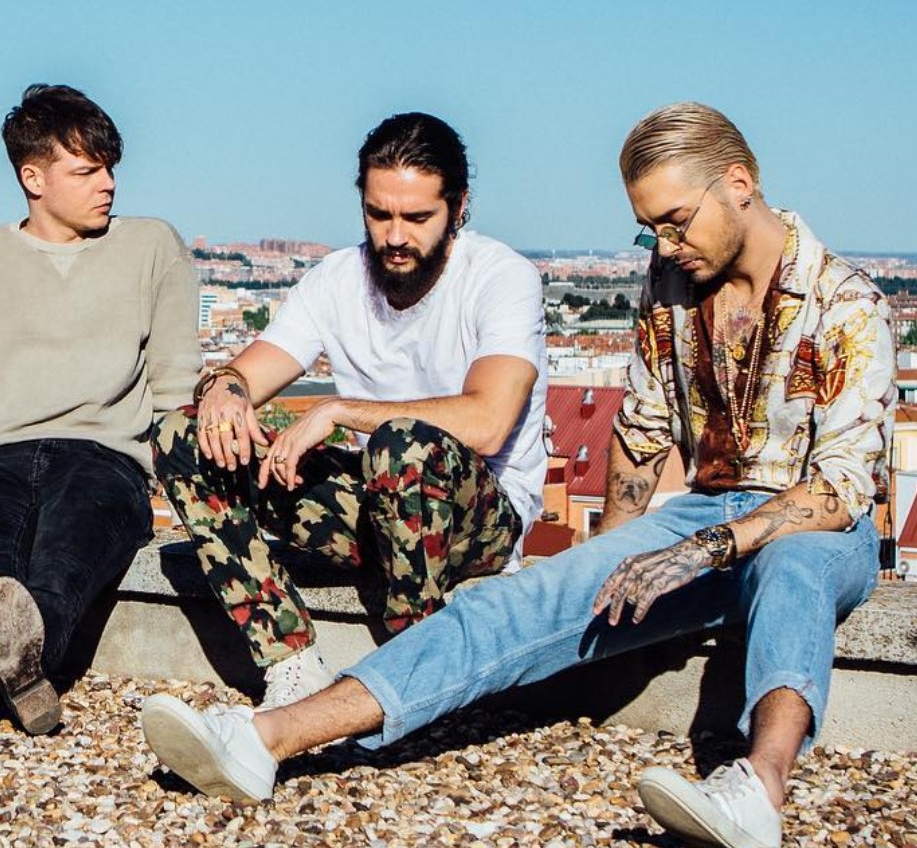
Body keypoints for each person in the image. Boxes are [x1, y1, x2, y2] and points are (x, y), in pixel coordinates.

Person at [141, 102, 894, 848]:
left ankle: (758, 789)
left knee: (793, 569)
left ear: (739, 184)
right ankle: (264, 739)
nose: (665, 245)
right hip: (699, 514)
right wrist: (611, 558)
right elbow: (639, 435)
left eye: (676, 222)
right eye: (650, 230)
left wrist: (703, 550)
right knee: (512, 606)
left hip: (818, 522)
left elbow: (841, 488)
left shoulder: (847, 300)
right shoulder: (672, 283)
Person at [152, 112, 548, 711]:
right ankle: (290, 663)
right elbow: (247, 373)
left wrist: (340, 410)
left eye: (417, 218)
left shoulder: (502, 278)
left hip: (478, 524)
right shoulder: (337, 278)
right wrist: (226, 389)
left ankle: (415, 674)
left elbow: (488, 422)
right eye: (378, 214)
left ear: (459, 207)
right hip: (380, 506)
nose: (395, 236)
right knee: (183, 433)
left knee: (401, 443)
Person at [0, 84, 200, 735]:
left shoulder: (153, 246)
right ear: (32, 178)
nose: (109, 184)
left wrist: (192, 497)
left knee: (63, 567)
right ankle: (21, 683)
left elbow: (176, 384)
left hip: (107, 460)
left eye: (110, 168)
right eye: (87, 171)